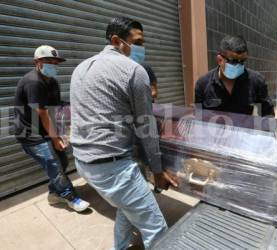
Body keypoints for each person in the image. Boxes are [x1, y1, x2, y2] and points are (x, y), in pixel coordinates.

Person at [70, 17, 178, 250]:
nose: (142, 47)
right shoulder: (134, 71)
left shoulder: (80, 68)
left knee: (127, 206)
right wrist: (157, 170)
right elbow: (146, 128)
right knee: (156, 229)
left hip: (83, 162)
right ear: (117, 41)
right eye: (137, 42)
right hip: (113, 168)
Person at [14, 45, 90, 212]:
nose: (52, 64)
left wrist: (78, 108)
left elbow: (55, 107)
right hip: (30, 134)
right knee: (54, 164)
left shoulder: (53, 82)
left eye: (55, 62)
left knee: (62, 161)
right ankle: (69, 196)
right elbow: (42, 113)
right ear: (36, 62)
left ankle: (54, 194)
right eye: (48, 61)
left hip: (45, 129)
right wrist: (56, 139)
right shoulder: (33, 82)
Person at [195, 35, 275, 117]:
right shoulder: (202, 84)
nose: (238, 65)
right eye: (233, 61)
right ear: (219, 60)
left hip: (244, 129)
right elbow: (198, 118)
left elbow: (268, 114)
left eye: (242, 61)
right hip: (215, 129)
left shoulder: (257, 81)